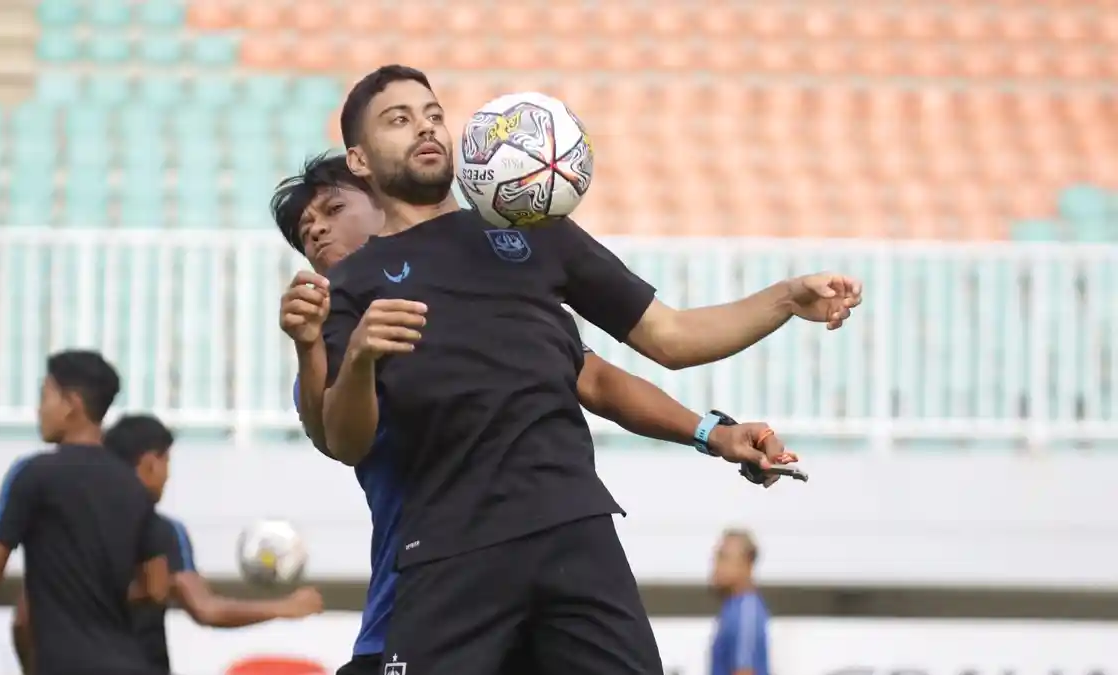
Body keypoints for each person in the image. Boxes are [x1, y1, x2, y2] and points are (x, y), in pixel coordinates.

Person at [318, 64, 860, 675]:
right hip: (450, 549)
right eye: (399, 119)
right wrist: (361, 356)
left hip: (571, 529)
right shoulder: (352, 286)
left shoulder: (530, 227)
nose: (425, 128)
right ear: (359, 160)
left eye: (433, 113)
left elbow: (670, 335)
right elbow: (344, 439)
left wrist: (785, 300)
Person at [10, 414, 326, 675]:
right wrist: (286, 607)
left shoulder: (63, 533)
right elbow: (206, 609)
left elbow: (24, 619)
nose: (167, 476)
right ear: (150, 463)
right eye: (166, 463)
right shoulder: (160, 530)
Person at [0, 351, 170, 675]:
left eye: (44, 396)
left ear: (71, 404)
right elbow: (157, 588)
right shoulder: (135, 487)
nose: (39, 410)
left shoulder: (35, 474)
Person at [708, 529, 770, 675]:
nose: (716, 566)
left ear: (747, 564)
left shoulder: (746, 613)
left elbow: (745, 671)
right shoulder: (732, 608)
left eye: (724, 558)